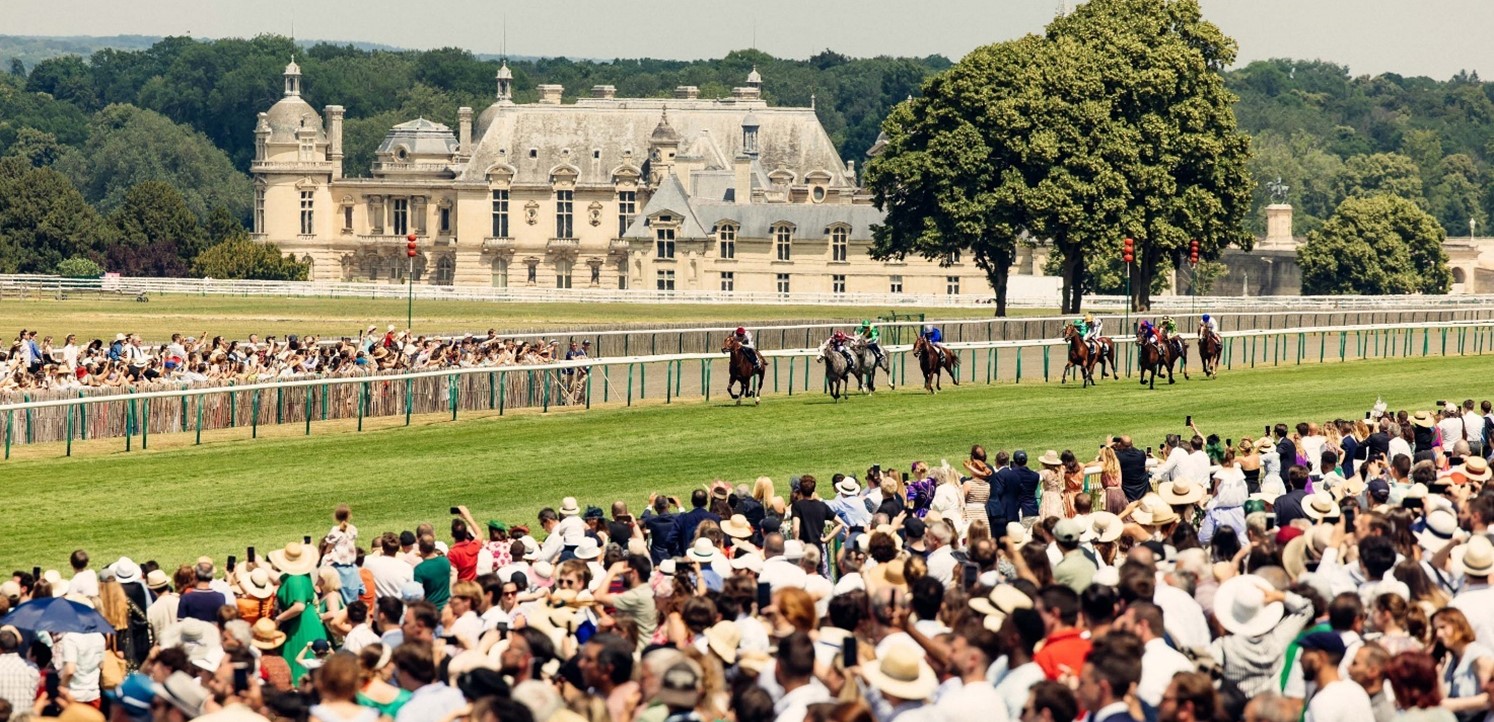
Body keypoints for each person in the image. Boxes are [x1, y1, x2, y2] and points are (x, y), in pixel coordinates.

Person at [1298, 631, 1375, 722]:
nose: (1300, 659)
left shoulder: (1323, 703)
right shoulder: (1357, 690)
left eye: (1305, 653)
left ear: (1321, 657)